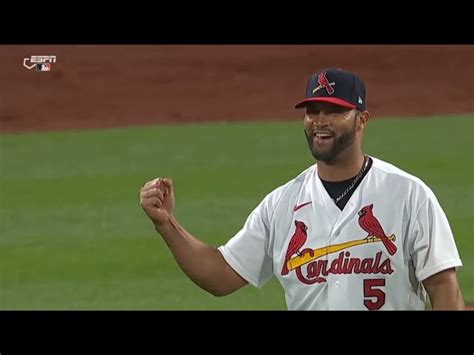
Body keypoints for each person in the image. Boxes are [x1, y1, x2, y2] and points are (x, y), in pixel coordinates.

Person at [139, 68, 465, 310]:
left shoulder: (408, 194)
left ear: (361, 120)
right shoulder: (281, 203)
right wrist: (166, 224)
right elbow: (220, 276)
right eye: (313, 111)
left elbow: (443, 287)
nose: (320, 121)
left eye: (335, 111)